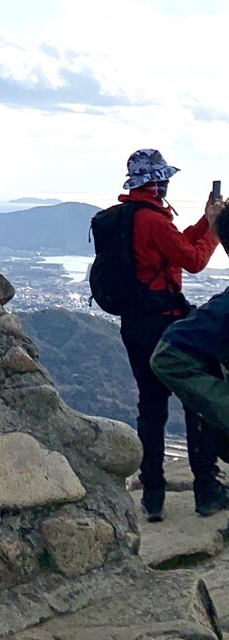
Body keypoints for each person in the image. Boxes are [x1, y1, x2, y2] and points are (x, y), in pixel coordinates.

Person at [115, 148, 226, 522]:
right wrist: (215, 231)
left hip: (134, 324)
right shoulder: (154, 220)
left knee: (150, 407)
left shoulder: (130, 216)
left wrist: (207, 222)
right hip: (165, 319)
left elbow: (176, 248)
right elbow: (192, 260)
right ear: (156, 181)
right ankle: (206, 490)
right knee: (195, 401)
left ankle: (153, 497)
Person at [151, 202, 229, 439]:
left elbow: (166, 357)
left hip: (148, 320)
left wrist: (212, 225)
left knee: (151, 402)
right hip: (164, 312)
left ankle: (153, 473)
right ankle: (205, 473)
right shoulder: (156, 222)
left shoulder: (143, 220)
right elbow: (188, 253)